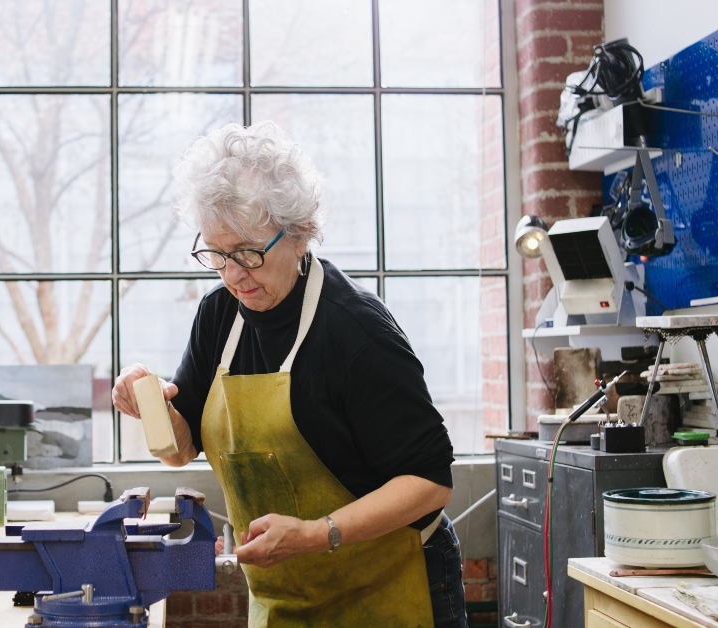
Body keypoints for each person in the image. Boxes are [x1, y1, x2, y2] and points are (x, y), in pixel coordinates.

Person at [112, 121, 465, 627]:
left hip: (391, 581)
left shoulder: (355, 331)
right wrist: (150, 403)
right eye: (217, 255)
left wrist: (313, 534)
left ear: (299, 234)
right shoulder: (218, 316)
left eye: (249, 254)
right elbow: (181, 448)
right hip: (288, 591)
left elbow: (430, 481)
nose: (233, 274)